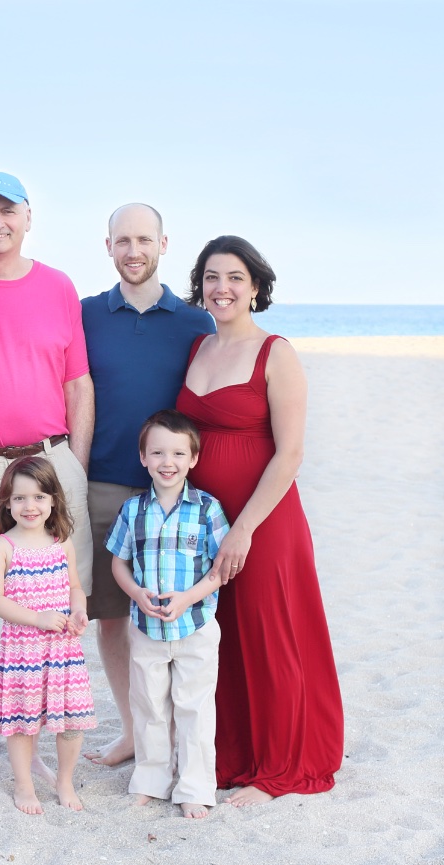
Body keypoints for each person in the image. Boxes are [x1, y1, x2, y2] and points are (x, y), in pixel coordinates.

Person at [176, 236, 344, 806]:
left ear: (255, 287)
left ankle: (279, 767)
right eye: (212, 277)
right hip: (204, 521)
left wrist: (243, 527)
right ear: (200, 286)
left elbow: (290, 453)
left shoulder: (277, 352)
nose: (222, 288)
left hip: (263, 520)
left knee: (270, 631)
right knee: (223, 638)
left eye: (235, 278)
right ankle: (233, 755)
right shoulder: (198, 348)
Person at [0, 171, 95, 783]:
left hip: (50, 461)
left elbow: (77, 383)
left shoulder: (59, 286)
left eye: (8, 211)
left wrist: (74, 466)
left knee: (63, 602)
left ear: (29, 217)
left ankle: (54, 730)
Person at [81, 203, 215, 767]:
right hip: (104, 486)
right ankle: (136, 731)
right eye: (122, 240)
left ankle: (187, 738)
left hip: (176, 494)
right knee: (114, 616)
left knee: (183, 620)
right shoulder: (84, 313)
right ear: (107, 246)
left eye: (144, 239)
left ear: (164, 244)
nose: (133, 251)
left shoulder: (194, 321)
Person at [106, 410, 229, 819]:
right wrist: (137, 594)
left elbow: (220, 570)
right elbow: (118, 564)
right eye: (157, 452)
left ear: (193, 458)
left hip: (195, 626)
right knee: (150, 707)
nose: (167, 462)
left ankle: (195, 787)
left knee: (194, 707)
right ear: (143, 457)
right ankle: (152, 780)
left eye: (178, 453)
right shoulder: (133, 510)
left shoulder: (207, 509)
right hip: (145, 628)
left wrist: (188, 597)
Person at [0, 456, 95, 815]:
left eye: (39, 497)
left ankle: (63, 781)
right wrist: (37, 618)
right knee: (22, 722)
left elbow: (75, 587)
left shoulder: (61, 543)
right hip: (24, 652)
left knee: (72, 721)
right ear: (7, 502)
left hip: (63, 649)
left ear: (53, 501)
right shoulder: (2, 547)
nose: (30, 506)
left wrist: (78, 610)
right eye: (20, 498)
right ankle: (24, 785)